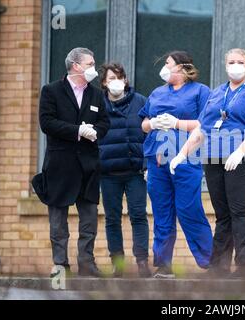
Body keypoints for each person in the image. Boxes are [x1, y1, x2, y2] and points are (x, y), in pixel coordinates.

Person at [170, 48, 245, 279]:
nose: (235, 66)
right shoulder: (217, 94)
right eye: (231, 62)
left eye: (240, 62)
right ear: (225, 66)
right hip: (214, 158)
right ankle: (219, 266)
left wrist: (240, 152)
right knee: (223, 214)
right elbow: (201, 129)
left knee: (241, 211)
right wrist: (182, 154)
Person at [32, 47, 110, 277]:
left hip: (88, 166)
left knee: (89, 220)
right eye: (90, 64)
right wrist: (78, 131)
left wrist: (96, 131)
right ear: (76, 65)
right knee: (58, 221)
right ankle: (60, 265)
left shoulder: (96, 94)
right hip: (60, 165)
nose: (93, 69)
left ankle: (87, 263)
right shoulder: (51, 91)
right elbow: (47, 123)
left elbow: (105, 122)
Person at [138, 51, 213, 279]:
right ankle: (163, 264)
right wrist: (152, 123)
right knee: (162, 212)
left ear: (181, 67)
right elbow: (142, 124)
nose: (164, 67)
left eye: (168, 64)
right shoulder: (157, 93)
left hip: (187, 159)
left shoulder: (201, 91)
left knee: (188, 209)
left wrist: (178, 123)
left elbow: (206, 124)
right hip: (157, 160)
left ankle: (210, 261)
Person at [98, 63, 151, 278]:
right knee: (112, 218)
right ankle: (117, 264)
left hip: (135, 172)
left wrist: (147, 165)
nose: (116, 82)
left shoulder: (140, 101)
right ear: (103, 83)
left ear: (126, 80)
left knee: (138, 216)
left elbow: (150, 135)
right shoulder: (97, 105)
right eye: (111, 78)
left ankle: (142, 263)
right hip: (108, 172)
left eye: (119, 77)